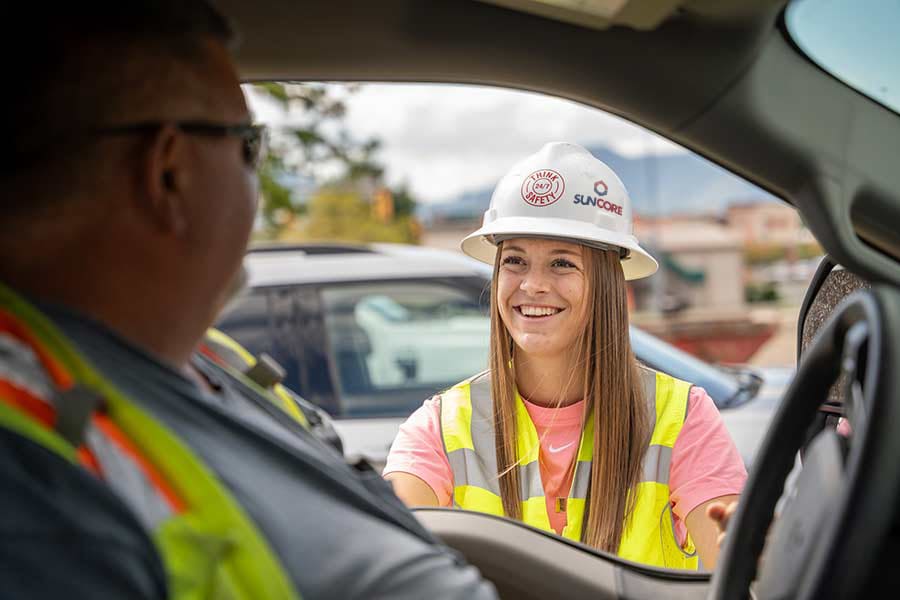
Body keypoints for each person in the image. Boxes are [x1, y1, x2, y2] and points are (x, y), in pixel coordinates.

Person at [0, 3, 497, 599]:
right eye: (248, 146)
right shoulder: (31, 487)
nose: (256, 188)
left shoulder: (210, 361)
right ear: (170, 173)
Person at [384, 142, 747, 570]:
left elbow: (741, 569)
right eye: (515, 261)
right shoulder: (440, 429)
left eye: (562, 264)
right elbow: (390, 562)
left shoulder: (681, 416)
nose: (533, 285)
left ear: (608, 284)